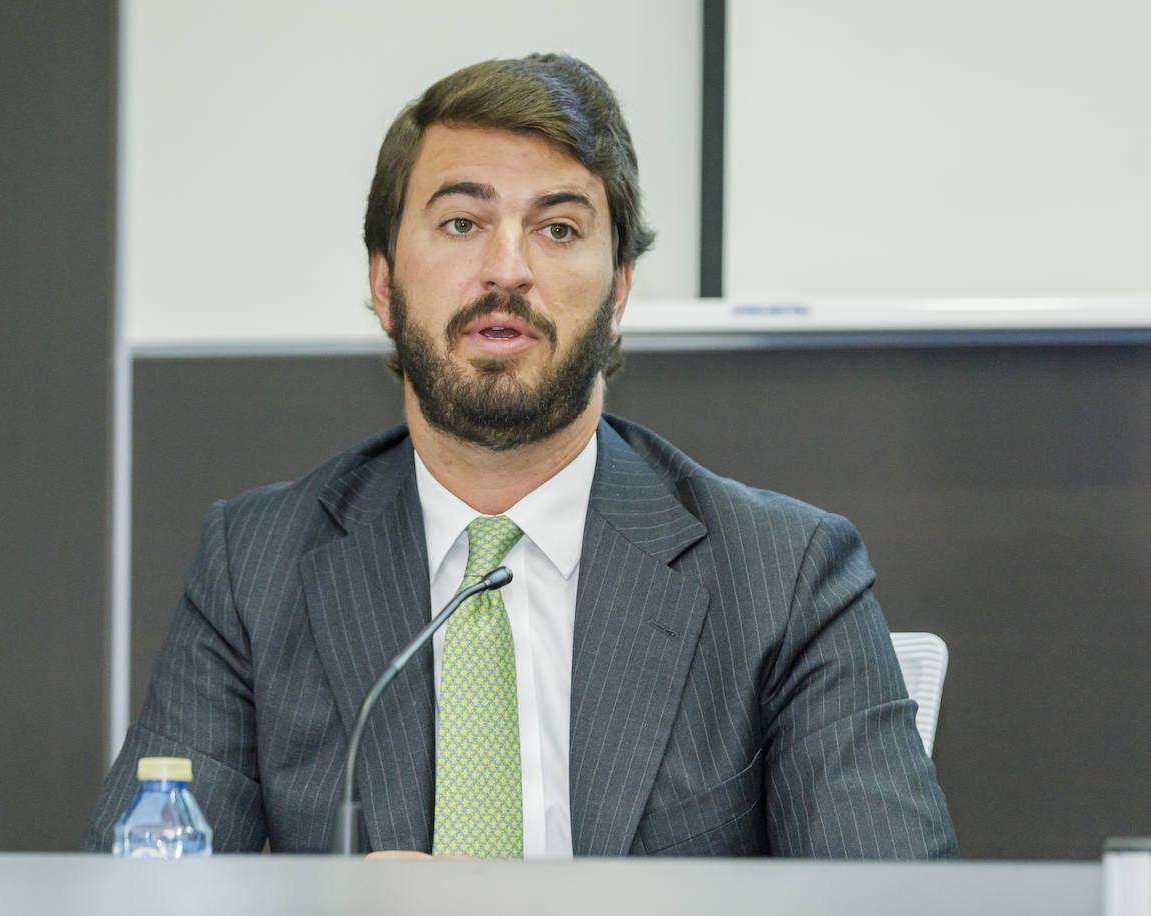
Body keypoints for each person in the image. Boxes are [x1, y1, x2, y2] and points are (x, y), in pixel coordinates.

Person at [84, 53, 957, 859]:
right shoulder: (257, 566)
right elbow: (142, 894)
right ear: (384, 283)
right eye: (462, 222)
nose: (507, 269)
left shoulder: (783, 576)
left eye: (559, 229)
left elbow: (891, 902)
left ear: (616, 293)